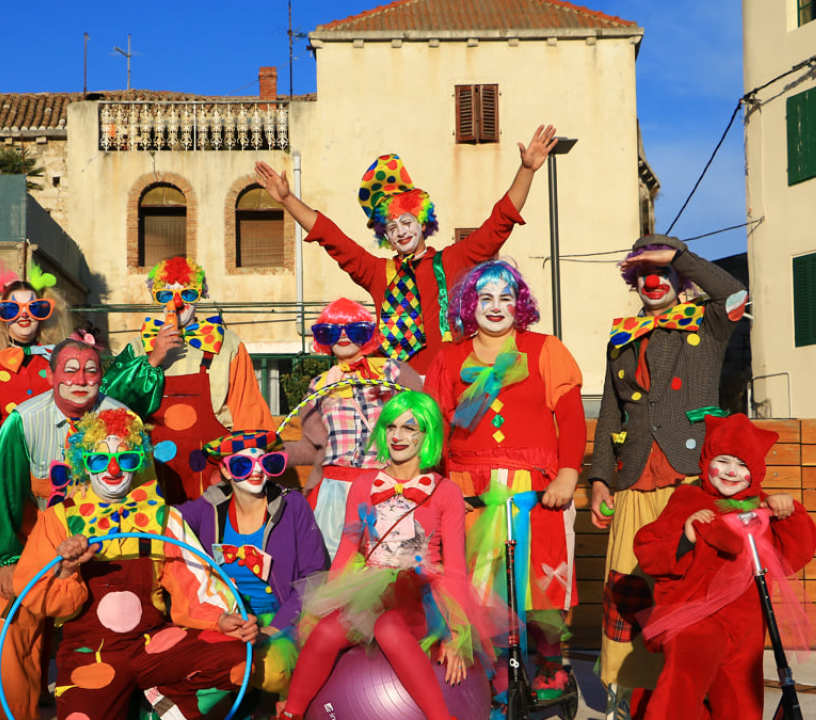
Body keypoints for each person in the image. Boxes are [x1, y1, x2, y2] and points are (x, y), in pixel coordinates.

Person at [583, 235, 749, 716]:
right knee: (627, 589)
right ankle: (629, 692)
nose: (653, 281)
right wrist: (599, 479)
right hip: (633, 479)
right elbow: (612, 414)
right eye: (643, 274)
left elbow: (735, 292)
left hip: (688, 481)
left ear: (681, 279)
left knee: (688, 591)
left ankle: (689, 689)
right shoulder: (622, 339)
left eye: (662, 273)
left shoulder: (708, 322)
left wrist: (679, 257)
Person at [253, 125, 558, 376]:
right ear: (385, 235)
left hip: (452, 382)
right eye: (392, 227)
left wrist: (527, 170)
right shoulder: (376, 273)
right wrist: (288, 200)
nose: (401, 231)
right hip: (397, 387)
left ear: (422, 221)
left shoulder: (454, 260)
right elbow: (331, 237)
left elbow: (499, 222)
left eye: (406, 221)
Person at [12, 407, 254, 720]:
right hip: (90, 653)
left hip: (153, 643)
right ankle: (126, 697)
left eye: (125, 458)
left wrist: (221, 619)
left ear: (139, 462)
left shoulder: (162, 517)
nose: (113, 469)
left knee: (239, 660)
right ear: (84, 464)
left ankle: (160, 703)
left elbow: (194, 583)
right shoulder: (58, 519)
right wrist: (68, 569)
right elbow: (36, 595)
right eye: (99, 459)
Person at [423, 259, 585, 710]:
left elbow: (570, 417)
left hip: (535, 488)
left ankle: (551, 667)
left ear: (521, 305)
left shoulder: (545, 349)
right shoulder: (449, 359)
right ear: (470, 305)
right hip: (466, 487)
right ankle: (498, 679)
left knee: (540, 583)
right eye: (486, 298)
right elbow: (435, 431)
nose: (496, 307)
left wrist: (570, 472)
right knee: (482, 591)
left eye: (507, 297)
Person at [281, 392, 494, 720]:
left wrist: (456, 633)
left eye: (411, 428)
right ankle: (291, 714)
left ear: (427, 435)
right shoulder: (364, 486)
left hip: (422, 592)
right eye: (392, 427)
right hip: (369, 587)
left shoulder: (445, 491)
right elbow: (347, 553)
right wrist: (321, 606)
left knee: (389, 627)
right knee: (325, 631)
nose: (398, 436)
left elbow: (454, 569)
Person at [0, 335, 146, 720]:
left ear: (103, 376)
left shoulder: (125, 420)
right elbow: (4, 493)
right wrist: (5, 558)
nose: (80, 378)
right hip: (36, 543)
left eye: (91, 370)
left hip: (107, 545)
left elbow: (146, 493)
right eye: (69, 370)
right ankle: (5, 713)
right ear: (51, 376)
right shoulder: (22, 421)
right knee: (7, 618)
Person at [634, 413, 816, 720]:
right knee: (681, 689)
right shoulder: (689, 500)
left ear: (755, 471)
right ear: (707, 462)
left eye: (743, 464)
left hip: (746, 627)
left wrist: (789, 513)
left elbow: (794, 555)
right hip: (697, 616)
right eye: (724, 460)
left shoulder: (761, 506)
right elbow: (649, 549)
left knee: (740, 703)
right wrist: (686, 538)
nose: (732, 471)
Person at [179, 430, 330, 700]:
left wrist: (272, 629)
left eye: (266, 463)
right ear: (225, 471)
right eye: (242, 465)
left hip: (279, 621)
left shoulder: (291, 505)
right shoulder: (208, 507)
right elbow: (165, 523)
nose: (256, 472)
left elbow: (315, 575)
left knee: (273, 671)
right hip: (225, 621)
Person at [112, 256, 274, 502]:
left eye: (187, 294)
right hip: (153, 477)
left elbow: (249, 414)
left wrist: (244, 468)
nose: (177, 303)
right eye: (166, 295)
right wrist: (152, 359)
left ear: (200, 295)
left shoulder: (227, 344)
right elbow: (115, 406)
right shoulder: (136, 349)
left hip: (212, 476)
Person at [282, 298, 421, 558]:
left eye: (355, 329)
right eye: (331, 330)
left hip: (385, 483)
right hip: (334, 488)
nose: (343, 337)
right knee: (334, 564)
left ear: (368, 334)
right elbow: (311, 446)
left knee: (390, 562)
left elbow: (424, 426)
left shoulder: (394, 373)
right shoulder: (320, 385)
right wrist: (273, 452)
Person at [0, 254, 72, 437]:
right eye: (12, 309)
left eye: (34, 307)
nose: (24, 315)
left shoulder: (60, 360)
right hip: (0, 455)